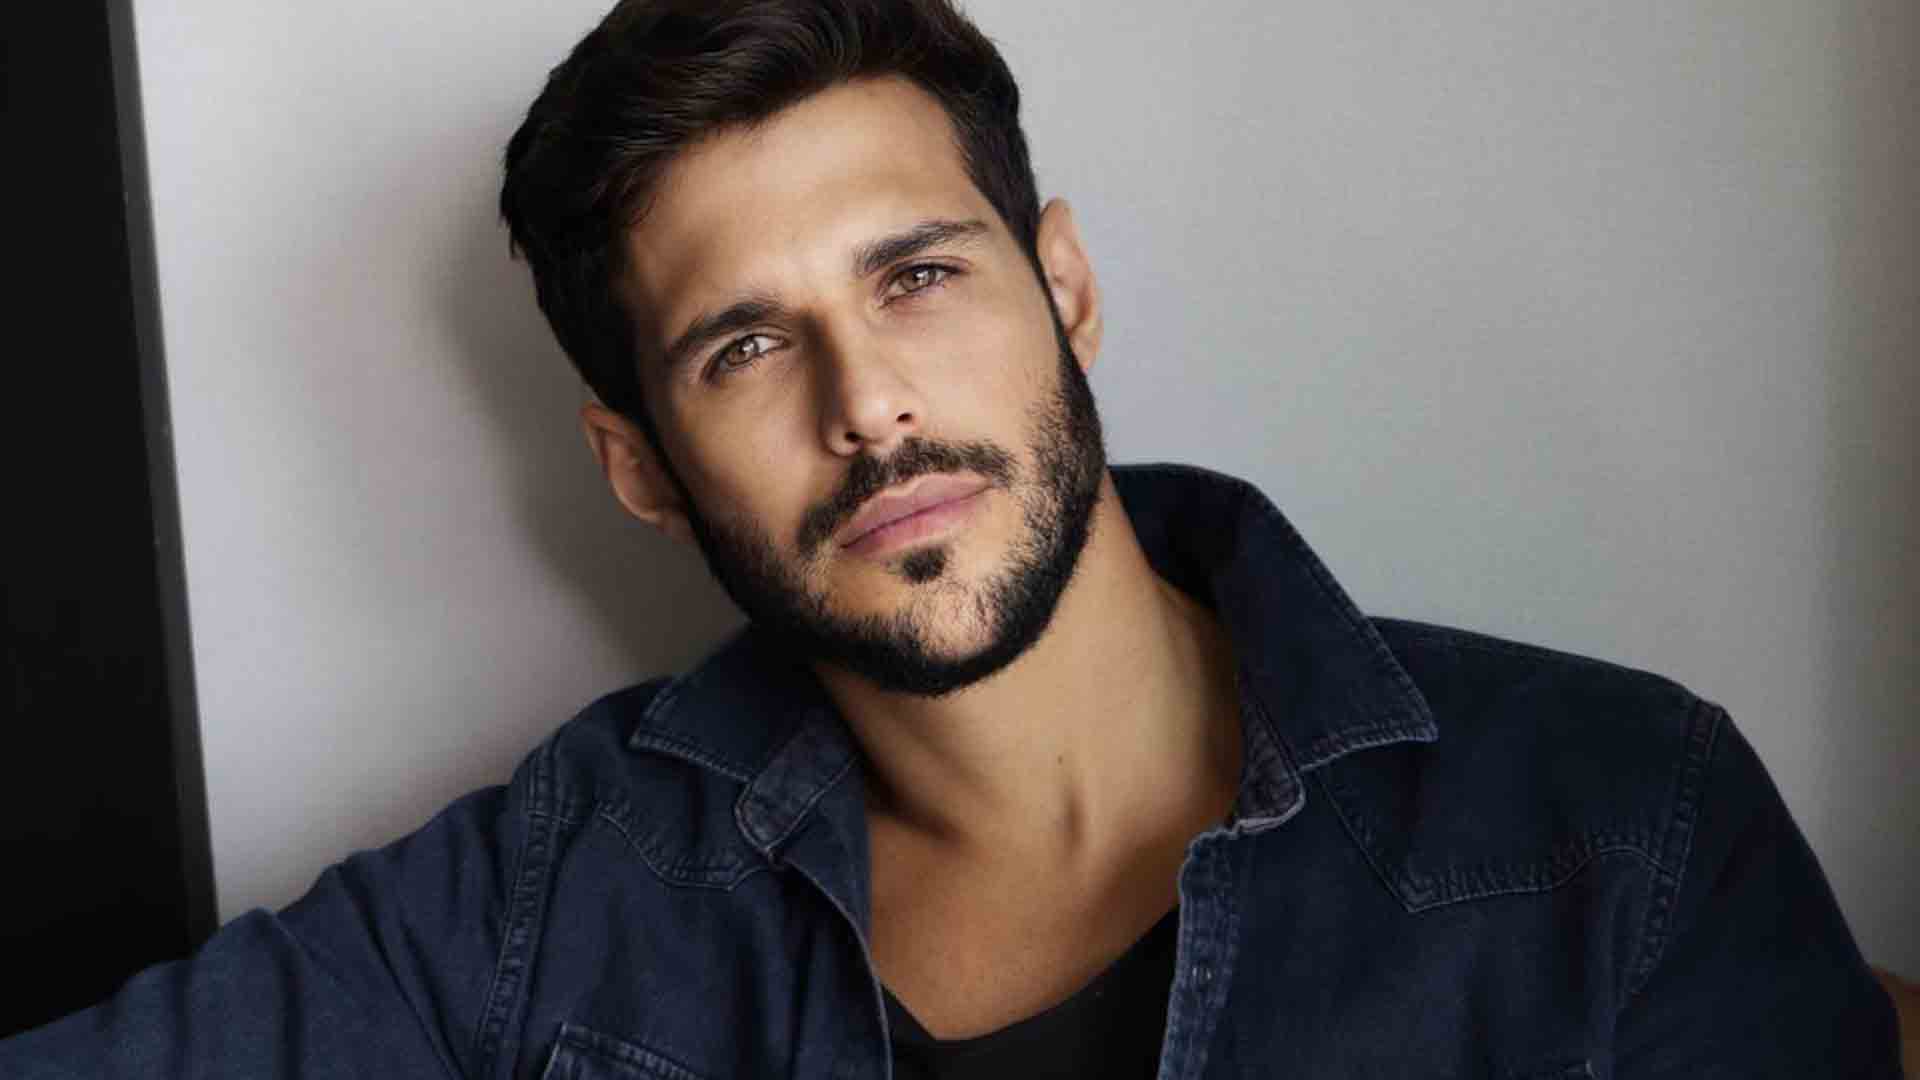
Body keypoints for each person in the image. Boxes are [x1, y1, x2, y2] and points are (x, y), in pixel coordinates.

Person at [2, 0, 1903, 1075]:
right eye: (746, 347)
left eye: (916, 276)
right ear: (640, 465)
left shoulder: (1617, 822)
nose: (871, 404)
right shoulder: (552, 891)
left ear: (1062, 286)